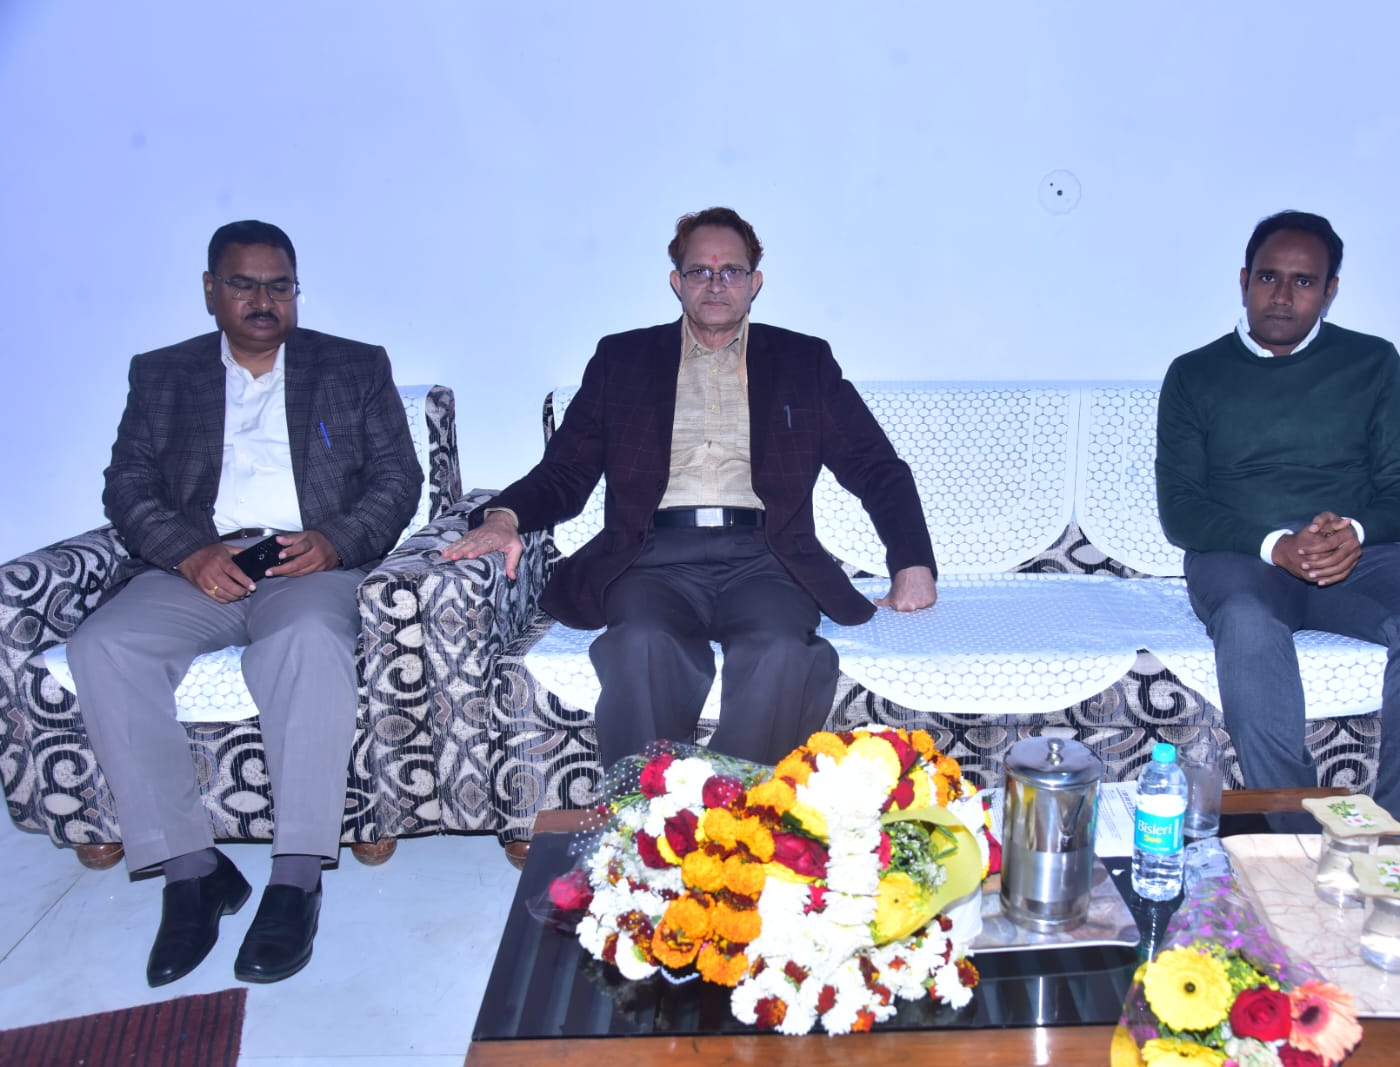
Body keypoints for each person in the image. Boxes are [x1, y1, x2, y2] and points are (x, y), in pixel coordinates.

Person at [444, 207, 937, 766]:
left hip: (766, 558)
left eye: (731, 271)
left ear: (755, 282)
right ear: (677, 282)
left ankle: (734, 808)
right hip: (652, 559)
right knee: (640, 645)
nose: (716, 284)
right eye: (700, 271)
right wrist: (504, 516)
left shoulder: (803, 361)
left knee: (781, 651)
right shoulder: (622, 360)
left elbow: (875, 465)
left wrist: (912, 561)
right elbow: (565, 471)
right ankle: (644, 809)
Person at [67, 220, 423, 986]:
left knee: (308, 643)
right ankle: (191, 872)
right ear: (211, 290)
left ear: (296, 290)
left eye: (279, 285)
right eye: (244, 284)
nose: (264, 300)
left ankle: (295, 877)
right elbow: (127, 486)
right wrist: (187, 552)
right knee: (103, 645)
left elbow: (398, 478)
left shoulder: (354, 366)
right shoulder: (162, 375)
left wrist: (334, 540)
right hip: (198, 566)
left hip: (307, 566)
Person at [1155, 210, 1400, 849]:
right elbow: (1181, 510)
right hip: (1242, 556)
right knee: (1247, 622)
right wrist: (1276, 545)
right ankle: (1298, 843)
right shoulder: (1194, 373)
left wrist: (1355, 528)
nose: (1281, 295)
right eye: (1268, 277)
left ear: (1330, 291)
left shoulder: (1372, 362)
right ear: (1243, 281)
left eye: (1303, 282)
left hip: (1352, 555)